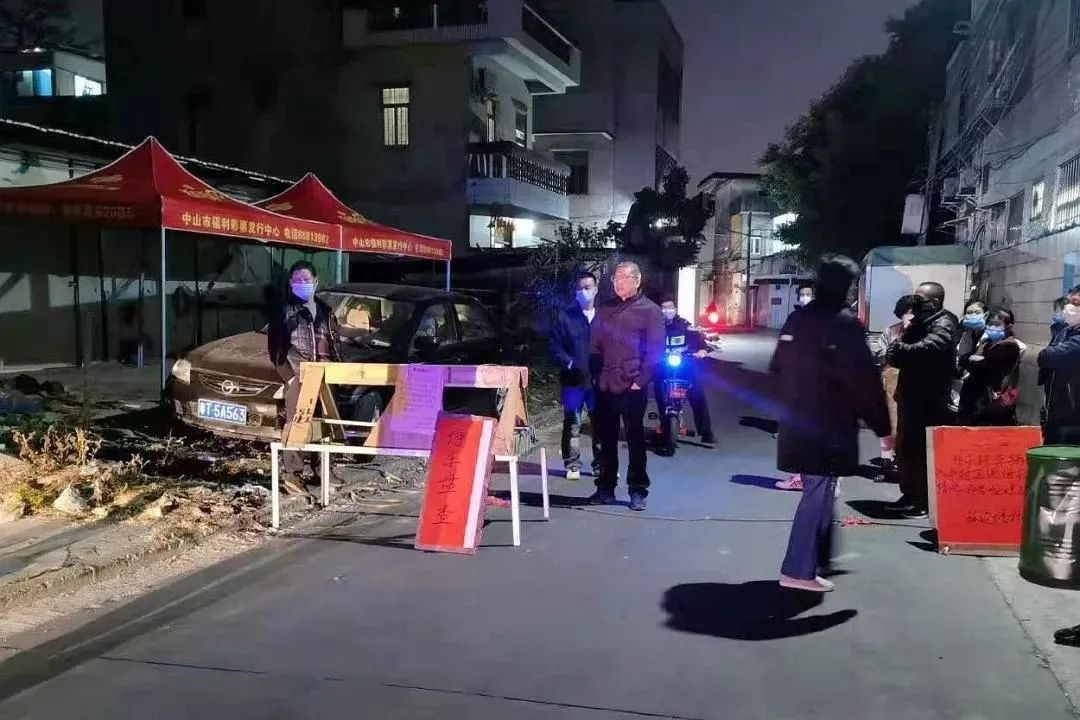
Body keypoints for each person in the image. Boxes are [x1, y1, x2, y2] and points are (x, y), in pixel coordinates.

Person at [770, 254, 891, 592]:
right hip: (827, 427)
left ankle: (813, 562)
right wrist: (883, 428)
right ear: (845, 286)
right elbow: (864, 383)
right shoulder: (844, 324)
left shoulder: (797, 319)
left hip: (798, 421)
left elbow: (777, 367)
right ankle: (798, 569)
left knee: (820, 492)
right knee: (817, 494)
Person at [590, 261, 665, 511]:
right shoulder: (605, 309)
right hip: (605, 383)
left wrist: (640, 381)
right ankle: (605, 487)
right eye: (615, 278)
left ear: (637, 280)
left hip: (632, 383)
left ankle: (637, 489)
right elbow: (594, 345)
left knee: (635, 438)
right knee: (606, 438)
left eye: (623, 278)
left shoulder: (650, 310)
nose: (618, 282)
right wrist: (595, 375)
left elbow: (655, 351)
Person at [268, 261, 343, 497]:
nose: (302, 284)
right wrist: (290, 378)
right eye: (297, 280)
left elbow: (334, 344)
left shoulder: (326, 311)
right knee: (297, 425)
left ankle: (323, 469)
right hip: (299, 376)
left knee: (325, 426)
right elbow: (276, 351)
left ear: (316, 282)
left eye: (306, 280)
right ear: (290, 283)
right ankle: (292, 475)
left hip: (325, 376)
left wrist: (339, 370)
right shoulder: (284, 311)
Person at [887, 281, 960, 519]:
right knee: (906, 448)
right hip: (910, 394)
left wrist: (902, 349)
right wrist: (902, 345)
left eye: (919, 300)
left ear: (934, 302)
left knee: (921, 451)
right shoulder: (919, 322)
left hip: (929, 399)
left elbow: (926, 349)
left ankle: (923, 500)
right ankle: (910, 494)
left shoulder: (943, 323)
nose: (914, 304)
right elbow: (893, 354)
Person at [550, 271, 602, 481]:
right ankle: (572, 463)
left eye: (587, 288)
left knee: (601, 423)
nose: (583, 292)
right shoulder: (565, 317)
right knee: (573, 422)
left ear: (595, 289)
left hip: (599, 381)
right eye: (580, 288)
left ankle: (601, 464)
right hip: (573, 381)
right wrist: (569, 363)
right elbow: (554, 347)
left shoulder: (604, 317)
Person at [654, 297, 715, 447]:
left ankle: (706, 432)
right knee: (660, 394)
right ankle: (665, 424)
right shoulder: (655, 327)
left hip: (685, 366)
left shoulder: (684, 325)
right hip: (663, 367)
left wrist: (702, 349)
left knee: (697, 395)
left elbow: (698, 339)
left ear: (675, 309)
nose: (667, 310)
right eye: (663, 307)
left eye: (670, 307)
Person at [957, 309, 1023, 426]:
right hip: (977, 398)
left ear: (1008, 327)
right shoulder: (986, 343)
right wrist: (972, 360)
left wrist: (975, 361)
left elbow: (987, 367)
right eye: (989, 324)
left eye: (997, 325)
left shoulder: (1009, 346)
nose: (992, 328)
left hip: (994, 400)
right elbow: (965, 359)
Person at [1038, 287, 1080, 444]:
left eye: (1076, 303)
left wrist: (1047, 354)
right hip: (1056, 409)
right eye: (1068, 302)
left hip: (1073, 416)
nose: (1069, 307)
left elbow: (1050, 356)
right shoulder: (1065, 331)